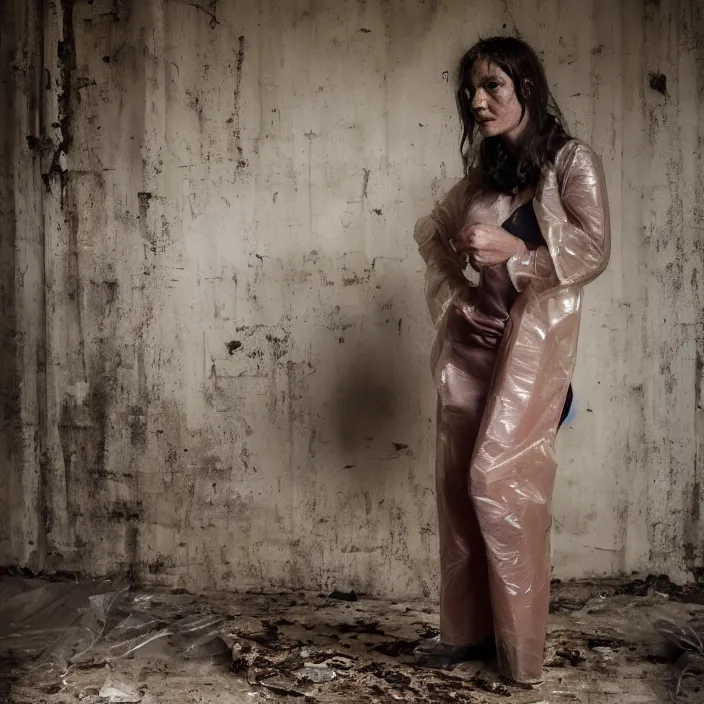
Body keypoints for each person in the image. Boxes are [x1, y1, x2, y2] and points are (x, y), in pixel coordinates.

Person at [412, 36, 610, 685]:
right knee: (457, 489)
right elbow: (431, 231)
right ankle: (466, 635)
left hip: (532, 351)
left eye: (492, 85)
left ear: (526, 86)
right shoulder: (481, 176)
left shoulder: (569, 162)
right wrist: (459, 293)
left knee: (501, 484)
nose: (477, 100)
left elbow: (591, 251)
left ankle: (519, 652)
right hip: (474, 347)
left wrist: (513, 252)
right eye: (471, 89)